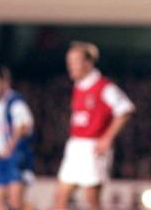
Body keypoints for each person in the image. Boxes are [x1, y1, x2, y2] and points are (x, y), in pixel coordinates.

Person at [53, 41, 135, 210]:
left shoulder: (103, 87)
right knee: (60, 197)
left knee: (91, 198)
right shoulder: (79, 85)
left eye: (75, 61)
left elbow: (126, 109)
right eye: (69, 61)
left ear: (88, 63)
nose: (70, 66)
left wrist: (107, 138)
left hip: (93, 147)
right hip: (75, 144)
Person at [0, 64, 34, 210]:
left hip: (16, 158)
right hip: (0, 160)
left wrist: (9, 147)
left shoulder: (15, 102)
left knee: (15, 203)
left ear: (4, 82)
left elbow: (24, 126)